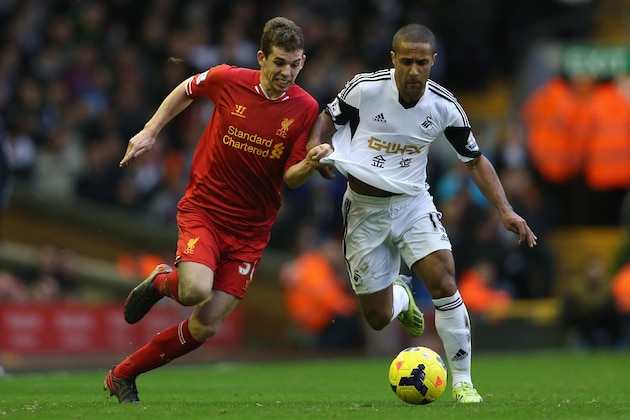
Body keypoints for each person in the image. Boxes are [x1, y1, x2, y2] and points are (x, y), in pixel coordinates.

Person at [307, 23, 537, 403]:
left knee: (445, 281)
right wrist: (316, 145)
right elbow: (328, 115)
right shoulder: (365, 88)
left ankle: (463, 383)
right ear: (393, 59)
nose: (414, 71)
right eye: (407, 61)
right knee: (378, 317)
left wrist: (505, 210)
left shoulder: (444, 105)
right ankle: (400, 294)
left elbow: (475, 160)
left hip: (413, 203)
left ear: (434, 62)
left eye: (422, 63)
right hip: (364, 210)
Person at [104, 17, 329, 403]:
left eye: (294, 64)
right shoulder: (229, 78)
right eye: (279, 62)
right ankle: (162, 281)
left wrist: (313, 161)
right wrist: (151, 130)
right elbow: (186, 89)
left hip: (252, 229)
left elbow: (292, 178)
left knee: (206, 325)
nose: (286, 72)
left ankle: (123, 375)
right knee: (194, 290)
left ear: (303, 62)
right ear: (261, 58)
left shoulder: (306, 108)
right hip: (206, 209)